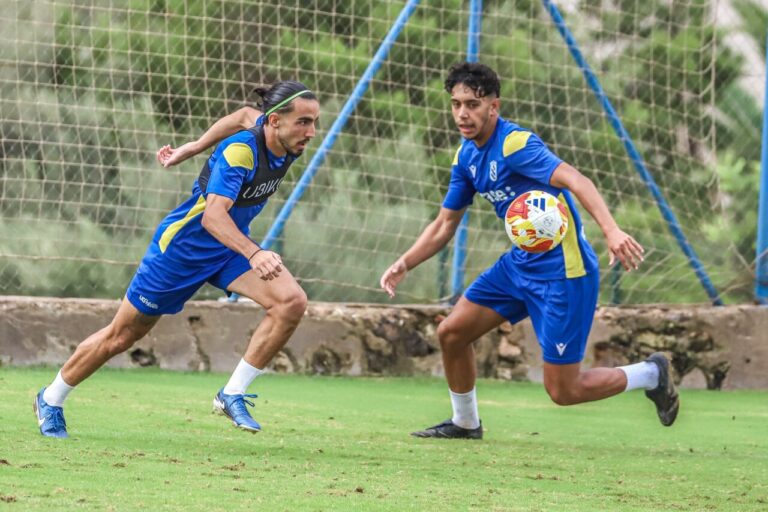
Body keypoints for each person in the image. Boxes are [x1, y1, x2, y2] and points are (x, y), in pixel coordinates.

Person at [379, 63, 679, 439]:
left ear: (494, 106)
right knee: (452, 333)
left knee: (564, 391)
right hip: (518, 268)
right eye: (455, 104)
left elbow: (575, 178)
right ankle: (465, 423)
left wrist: (612, 230)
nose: (462, 114)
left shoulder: (515, 144)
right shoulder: (466, 158)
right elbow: (444, 224)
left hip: (563, 273)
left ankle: (651, 375)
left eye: (472, 104)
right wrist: (405, 262)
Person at [34, 81, 320, 438]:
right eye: (304, 122)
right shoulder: (241, 152)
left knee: (291, 302)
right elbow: (212, 217)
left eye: (314, 122)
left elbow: (242, 114)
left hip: (228, 249)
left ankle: (232, 393)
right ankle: (51, 398)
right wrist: (255, 252)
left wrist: (193, 147)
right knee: (122, 336)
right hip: (181, 251)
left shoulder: (279, 135)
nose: (311, 132)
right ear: (275, 121)